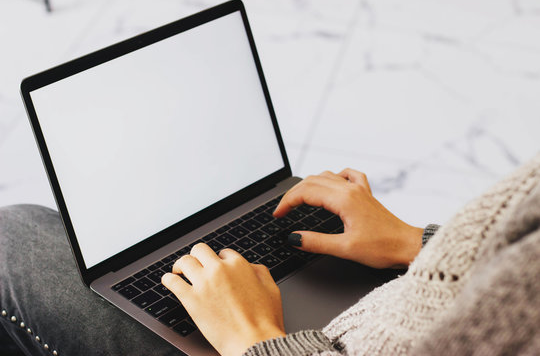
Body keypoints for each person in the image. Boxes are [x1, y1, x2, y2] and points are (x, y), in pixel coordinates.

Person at [1, 155, 539, 355]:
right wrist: (414, 243)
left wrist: (256, 338)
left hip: (289, 347)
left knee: (13, 236)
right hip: (396, 298)